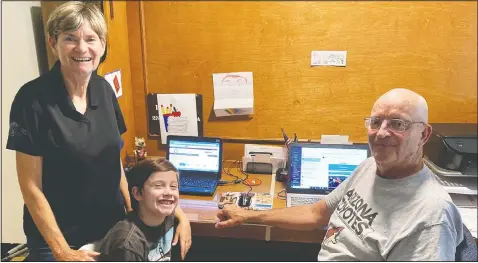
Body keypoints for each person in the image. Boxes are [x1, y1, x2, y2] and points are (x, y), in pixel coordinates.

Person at [6, 2, 190, 261]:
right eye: (70, 38)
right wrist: (62, 251)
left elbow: (114, 160)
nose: (82, 48)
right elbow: (30, 186)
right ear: (52, 43)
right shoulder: (32, 100)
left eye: (91, 39)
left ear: (102, 45)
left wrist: (170, 212)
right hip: (59, 239)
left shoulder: (104, 89)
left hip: (110, 228)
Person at [215, 88, 464, 261]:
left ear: (424, 134)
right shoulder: (369, 167)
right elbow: (316, 213)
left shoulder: (431, 217)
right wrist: (246, 216)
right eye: (376, 122)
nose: (381, 133)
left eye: (398, 124)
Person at [99, 158, 181, 261]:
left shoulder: (166, 216)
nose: (168, 193)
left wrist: (184, 220)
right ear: (137, 193)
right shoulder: (128, 245)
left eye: (173, 186)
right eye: (158, 186)